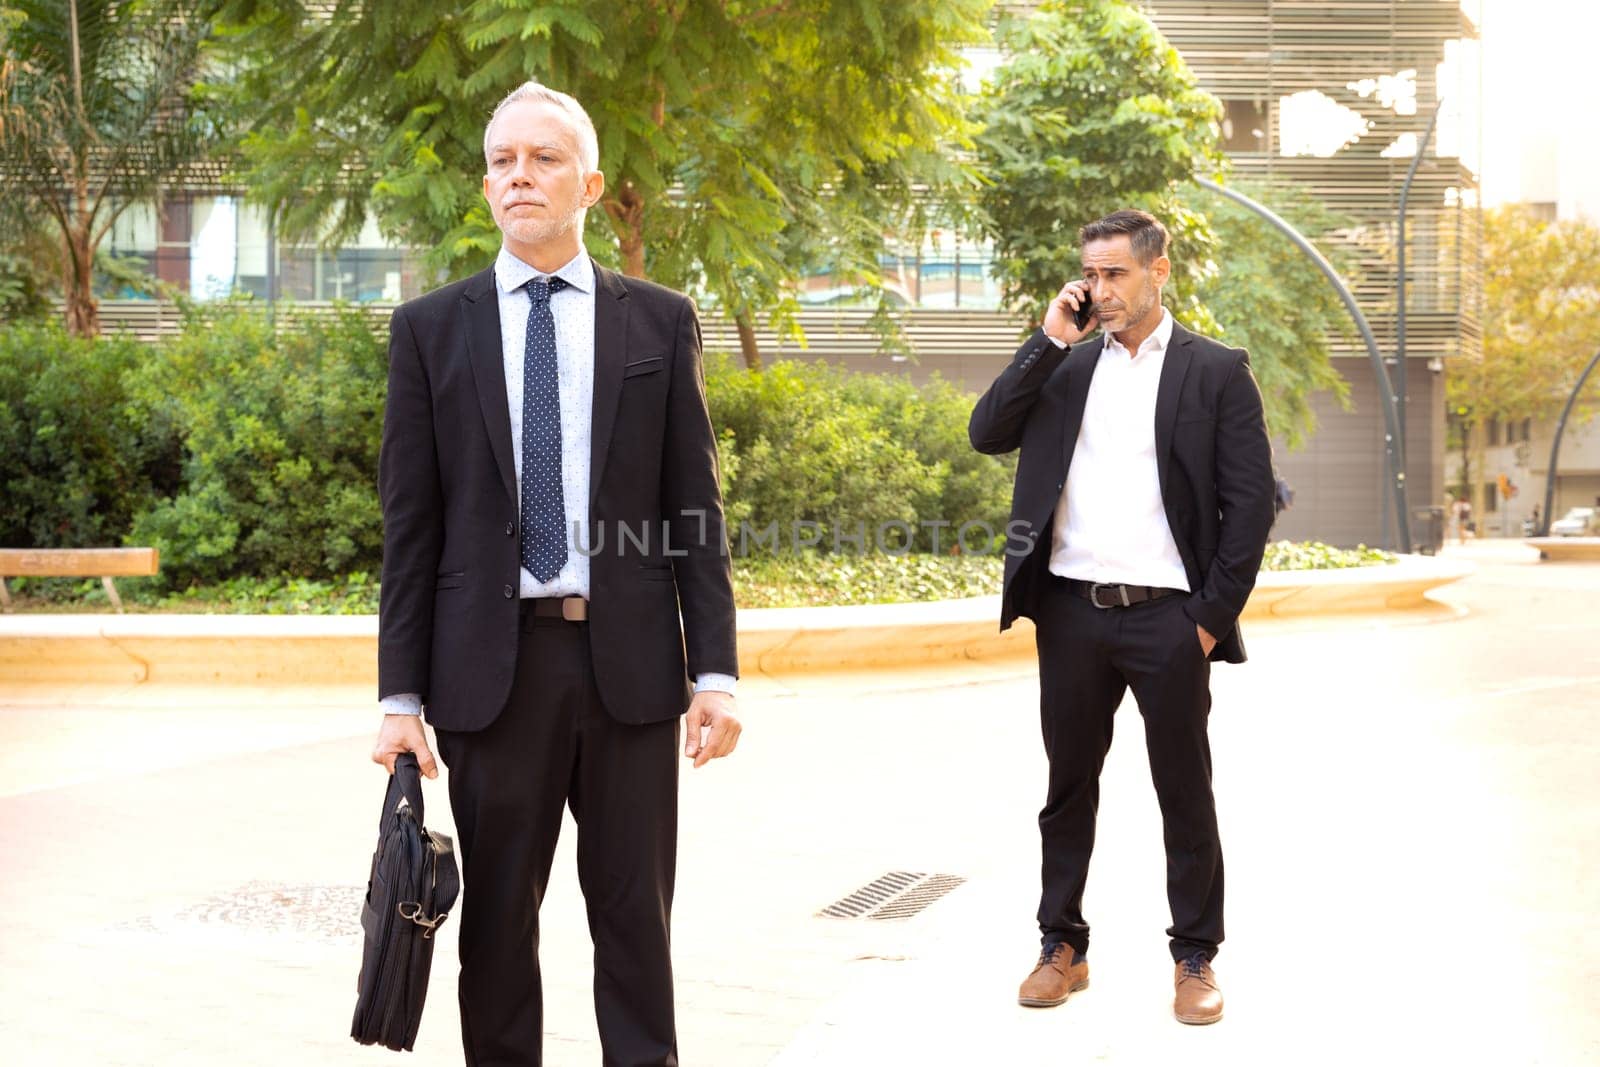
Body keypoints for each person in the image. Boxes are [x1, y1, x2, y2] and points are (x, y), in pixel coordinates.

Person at [370, 82, 741, 1066]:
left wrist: (716, 669)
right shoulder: (430, 330)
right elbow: (410, 527)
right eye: (502, 160)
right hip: (488, 678)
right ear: (486, 183)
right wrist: (399, 694)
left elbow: (692, 504)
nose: (519, 175)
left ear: (591, 182)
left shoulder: (656, 321)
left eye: (543, 157)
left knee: (633, 925)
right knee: (494, 932)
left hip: (627, 673)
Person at [969, 210, 1275, 1025]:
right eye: (1091, 275)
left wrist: (1208, 618)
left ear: (1158, 271)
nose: (1100, 290)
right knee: (1067, 788)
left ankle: (1195, 956)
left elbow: (1249, 508)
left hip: (1169, 619)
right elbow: (985, 431)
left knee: (1184, 790)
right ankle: (1061, 945)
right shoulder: (1064, 367)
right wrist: (1045, 340)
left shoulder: (1216, 371)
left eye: (1116, 275)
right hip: (1071, 612)